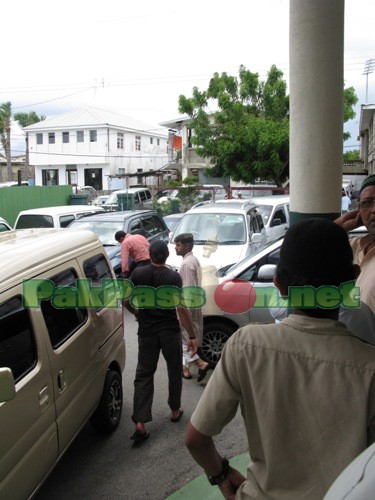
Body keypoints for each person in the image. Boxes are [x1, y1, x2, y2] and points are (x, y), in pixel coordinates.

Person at [184, 218, 375, 499]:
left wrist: (221, 475)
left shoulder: (245, 345)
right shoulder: (368, 365)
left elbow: (196, 439)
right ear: (351, 283)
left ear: (279, 286)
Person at [125, 240, 198, 443]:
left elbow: (125, 301)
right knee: (174, 370)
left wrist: (137, 313)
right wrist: (192, 336)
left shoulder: (138, 274)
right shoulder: (173, 277)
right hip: (169, 332)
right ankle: (175, 410)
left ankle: (140, 421)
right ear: (166, 256)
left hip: (147, 332)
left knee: (144, 374)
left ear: (150, 255)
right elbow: (181, 309)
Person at [335, 173, 375, 312]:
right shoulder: (353, 245)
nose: (373, 210)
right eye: (367, 203)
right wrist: (338, 228)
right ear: (358, 209)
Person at [174, 233, 211, 382]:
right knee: (187, 338)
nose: (175, 248)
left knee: (185, 337)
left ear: (187, 246)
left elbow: (188, 289)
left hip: (188, 306)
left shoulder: (187, 264)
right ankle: (186, 368)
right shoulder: (192, 260)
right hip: (194, 304)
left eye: (178, 245)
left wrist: (184, 313)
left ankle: (201, 364)